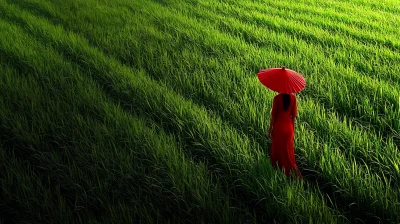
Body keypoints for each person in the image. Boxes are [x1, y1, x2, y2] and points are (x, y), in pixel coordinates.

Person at [268, 93, 302, 179]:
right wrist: (293, 131)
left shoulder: (276, 98)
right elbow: (294, 117)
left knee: (277, 149)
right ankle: (291, 172)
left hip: (279, 127)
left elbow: (273, 117)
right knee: (288, 151)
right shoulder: (293, 98)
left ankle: (277, 169)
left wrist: (270, 129)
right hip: (289, 128)